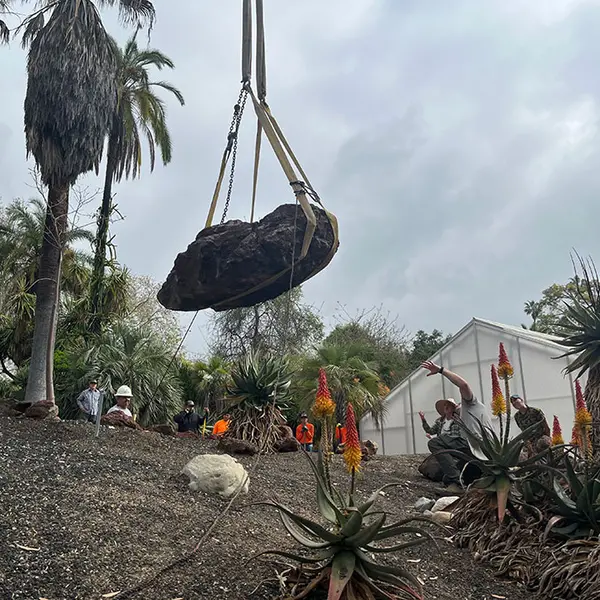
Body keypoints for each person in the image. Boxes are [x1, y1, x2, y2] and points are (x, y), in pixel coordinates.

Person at [421, 361, 493, 492]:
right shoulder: (455, 419)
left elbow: (463, 384)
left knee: (434, 443)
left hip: (477, 446)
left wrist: (441, 370)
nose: (456, 407)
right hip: (476, 450)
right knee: (446, 478)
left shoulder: (471, 404)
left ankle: (457, 481)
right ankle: (456, 480)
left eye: (455, 405)